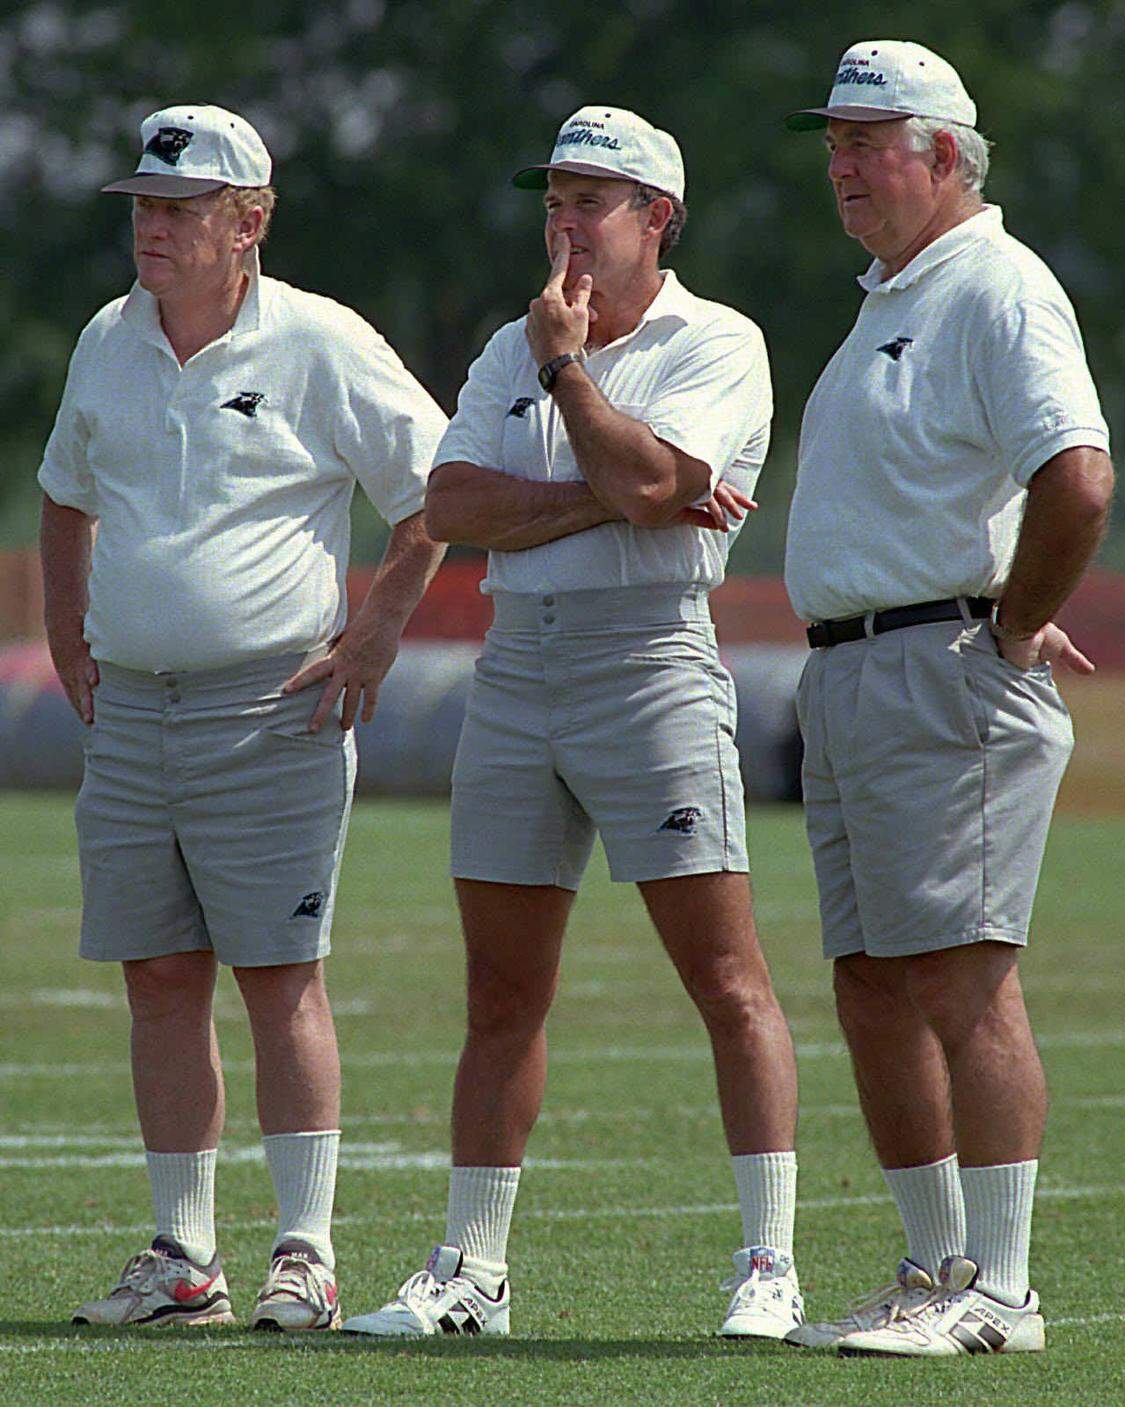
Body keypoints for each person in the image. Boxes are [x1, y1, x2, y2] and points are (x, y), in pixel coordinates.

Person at [341, 105, 802, 1340]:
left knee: (724, 975)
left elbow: (655, 482)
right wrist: (614, 495)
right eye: (553, 197)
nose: (563, 222)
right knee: (501, 991)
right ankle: (471, 1275)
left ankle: (770, 1262)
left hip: (651, 661)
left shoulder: (717, 341)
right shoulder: (512, 339)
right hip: (518, 663)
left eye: (590, 199)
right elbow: (454, 503)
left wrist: (571, 377)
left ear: (659, 218)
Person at [40, 104, 448, 1330]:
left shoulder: (321, 342)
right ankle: (183, 1261)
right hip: (132, 716)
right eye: (142, 209)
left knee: (280, 975)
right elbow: (64, 497)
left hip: (271, 709)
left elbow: (436, 491)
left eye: (177, 209)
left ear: (250, 222)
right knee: (159, 975)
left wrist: (376, 631)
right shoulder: (106, 340)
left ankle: (306, 1253)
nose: (150, 230)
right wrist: (69, 638)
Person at [781, 42, 1114, 1356]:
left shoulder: (996, 287)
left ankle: (1005, 1291)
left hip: (942, 670)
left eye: (871, 139)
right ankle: (934, 1266)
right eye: (836, 142)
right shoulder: (894, 293)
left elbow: (1076, 479)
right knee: (872, 977)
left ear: (945, 153)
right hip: (856, 670)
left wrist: (1018, 617)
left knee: (965, 976)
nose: (844, 164)